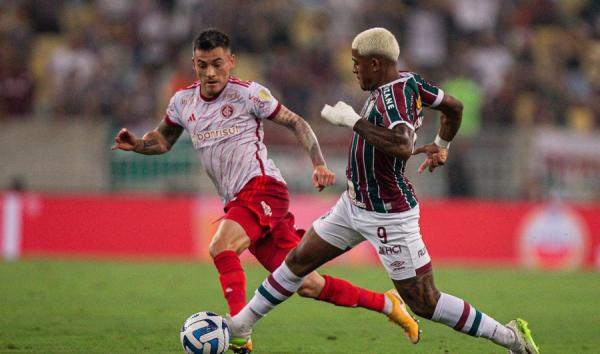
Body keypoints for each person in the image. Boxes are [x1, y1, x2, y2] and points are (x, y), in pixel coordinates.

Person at [227, 28, 540, 354]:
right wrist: (441, 144)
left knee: (424, 302)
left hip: (388, 214)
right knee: (298, 260)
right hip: (353, 204)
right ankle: (241, 325)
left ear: (375, 63)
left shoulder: (396, 97)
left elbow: (403, 145)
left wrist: (353, 121)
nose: (353, 69)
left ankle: (510, 337)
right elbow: (454, 107)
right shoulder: (409, 82)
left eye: (357, 63)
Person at [112, 29, 419, 354]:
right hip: (237, 201)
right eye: (202, 65)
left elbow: (296, 122)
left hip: (263, 189)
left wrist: (318, 163)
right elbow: (162, 140)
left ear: (231, 62)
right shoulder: (182, 101)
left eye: (217, 64)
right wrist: (139, 145)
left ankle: (240, 333)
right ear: (194, 64)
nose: (210, 72)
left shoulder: (249, 94)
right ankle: (387, 304)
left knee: (221, 247)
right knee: (306, 283)